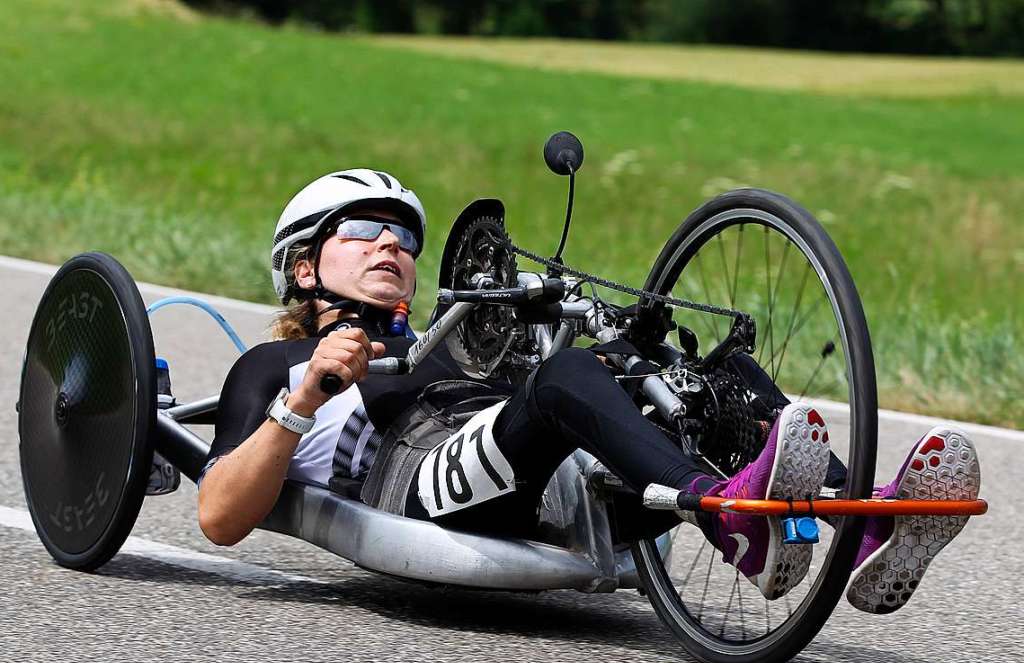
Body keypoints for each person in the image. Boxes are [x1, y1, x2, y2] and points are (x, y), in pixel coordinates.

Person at [196, 169, 981, 614]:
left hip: (524, 463)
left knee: (709, 376)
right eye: (364, 231)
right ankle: (725, 512)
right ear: (304, 267)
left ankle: (867, 521)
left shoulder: (450, 331)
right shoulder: (275, 368)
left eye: (404, 239)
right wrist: (301, 403)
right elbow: (219, 515)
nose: (392, 249)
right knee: (566, 379)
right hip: (416, 477)